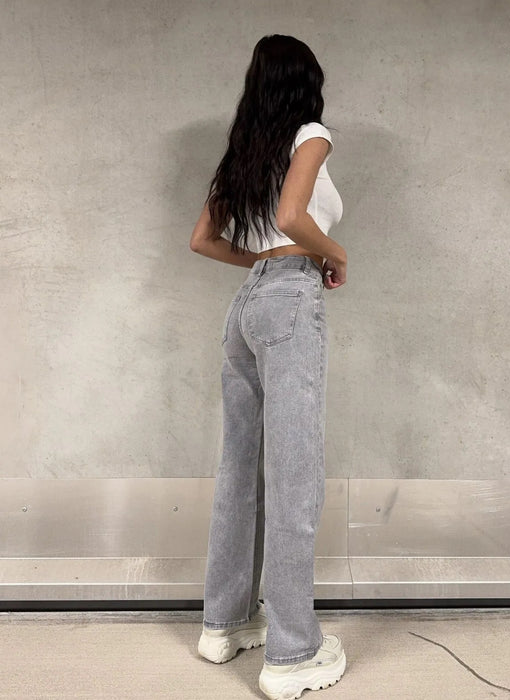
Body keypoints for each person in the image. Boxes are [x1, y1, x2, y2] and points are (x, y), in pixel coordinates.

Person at [190, 34, 347, 700]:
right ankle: (291, 654)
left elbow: (202, 240)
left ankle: (224, 624)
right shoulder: (311, 135)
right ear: (305, 83)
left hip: (244, 310)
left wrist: (260, 262)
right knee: (293, 475)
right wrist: (334, 254)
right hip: (289, 303)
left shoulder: (244, 149)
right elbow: (291, 216)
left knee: (240, 469)